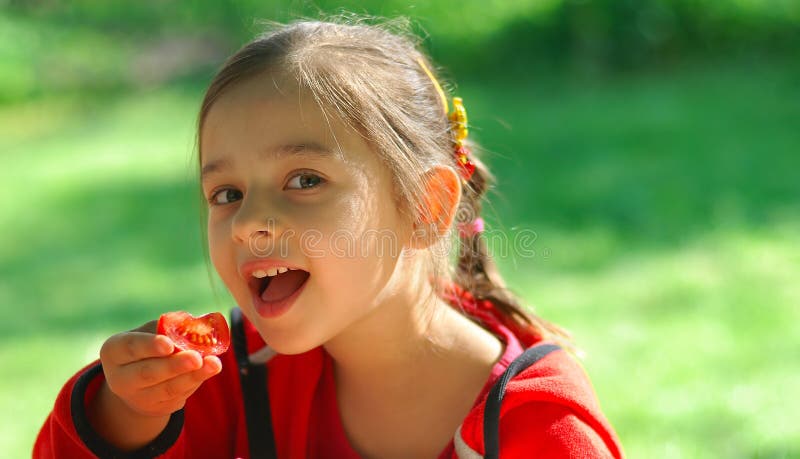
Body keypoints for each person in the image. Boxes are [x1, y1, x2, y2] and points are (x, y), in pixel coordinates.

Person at [34, 18, 624, 459]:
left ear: (425, 205)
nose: (246, 223)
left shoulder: (537, 426)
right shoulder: (229, 383)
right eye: (226, 194)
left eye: (305, 180)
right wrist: (126, 412)